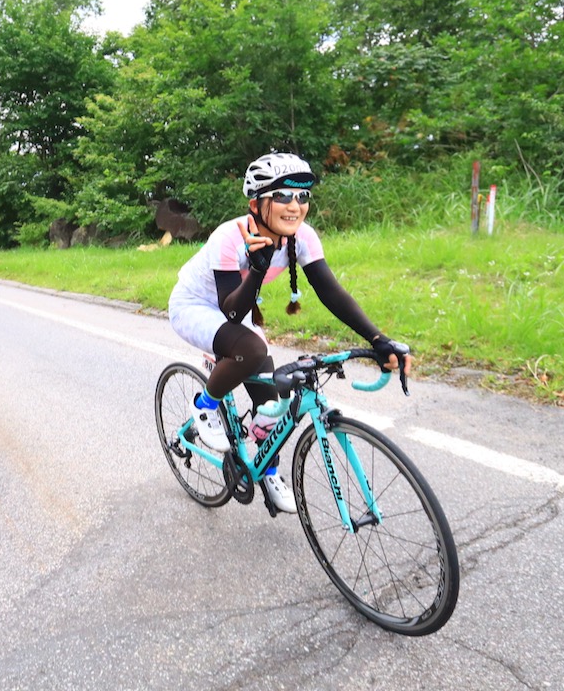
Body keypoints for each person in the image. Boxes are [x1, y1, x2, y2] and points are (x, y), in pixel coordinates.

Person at [166, 153, 411, 514]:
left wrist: (378, 339)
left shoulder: (302, 237)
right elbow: (232, 310)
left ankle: (267, 467)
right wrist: (258, 268)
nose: (295, 206)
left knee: (273, 399)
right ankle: (205, 405)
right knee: (250, 350)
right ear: (256, 204)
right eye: (282, 196)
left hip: (236, 308)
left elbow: (331, 292)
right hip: (196, 306)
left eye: (303, 196)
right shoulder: (229, 238)